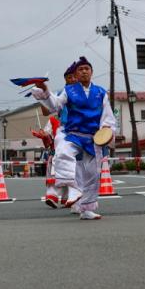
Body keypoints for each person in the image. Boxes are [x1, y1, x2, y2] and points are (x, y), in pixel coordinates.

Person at [30, 57, 116, 220]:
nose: (84, 71)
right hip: (73, 134)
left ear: (91, 72)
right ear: (76, 74)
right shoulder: (69, 91)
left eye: (87, 68)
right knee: (63, 152)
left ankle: (86, 209)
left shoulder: (101, 92)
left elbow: (108, 117)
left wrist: (107, 131)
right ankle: (73, 187)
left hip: (92, 138)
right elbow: (55, 106)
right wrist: (45, 90)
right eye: (81, 69)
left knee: (91, 175)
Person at [39, 63, 77, 208]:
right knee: (59, 166)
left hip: (84, 132)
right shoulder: (63, 93)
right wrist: (43, 95)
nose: (72, 79)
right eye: (69, 77)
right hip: (65, 136)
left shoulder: (91, 91)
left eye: (74, 76)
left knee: (81, 168)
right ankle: (54, 195)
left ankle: (76, 201)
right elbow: (49, 109)